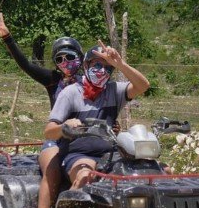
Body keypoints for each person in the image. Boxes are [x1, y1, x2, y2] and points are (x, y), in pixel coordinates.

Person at [0, 12, 83, 208]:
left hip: (86, 143)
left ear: (80, 58)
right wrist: (7, 38)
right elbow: (26, 66)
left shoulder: (92, 83)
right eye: (59, 59)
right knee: (51, 172)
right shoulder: (53, 81)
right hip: (56, 140)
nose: (65, 62)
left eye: (69, 57)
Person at [44, 41, 150, 189]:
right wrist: (64, 127)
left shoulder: (114, 90)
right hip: (78, 154)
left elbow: (143, 86)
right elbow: (49, 131)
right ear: (86, 66)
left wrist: (120, 64)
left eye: (107, 67)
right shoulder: (70, 93)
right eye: (97, 65)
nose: (102, 70)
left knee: (150, 174)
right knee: (86, 176)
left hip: (110, 154)